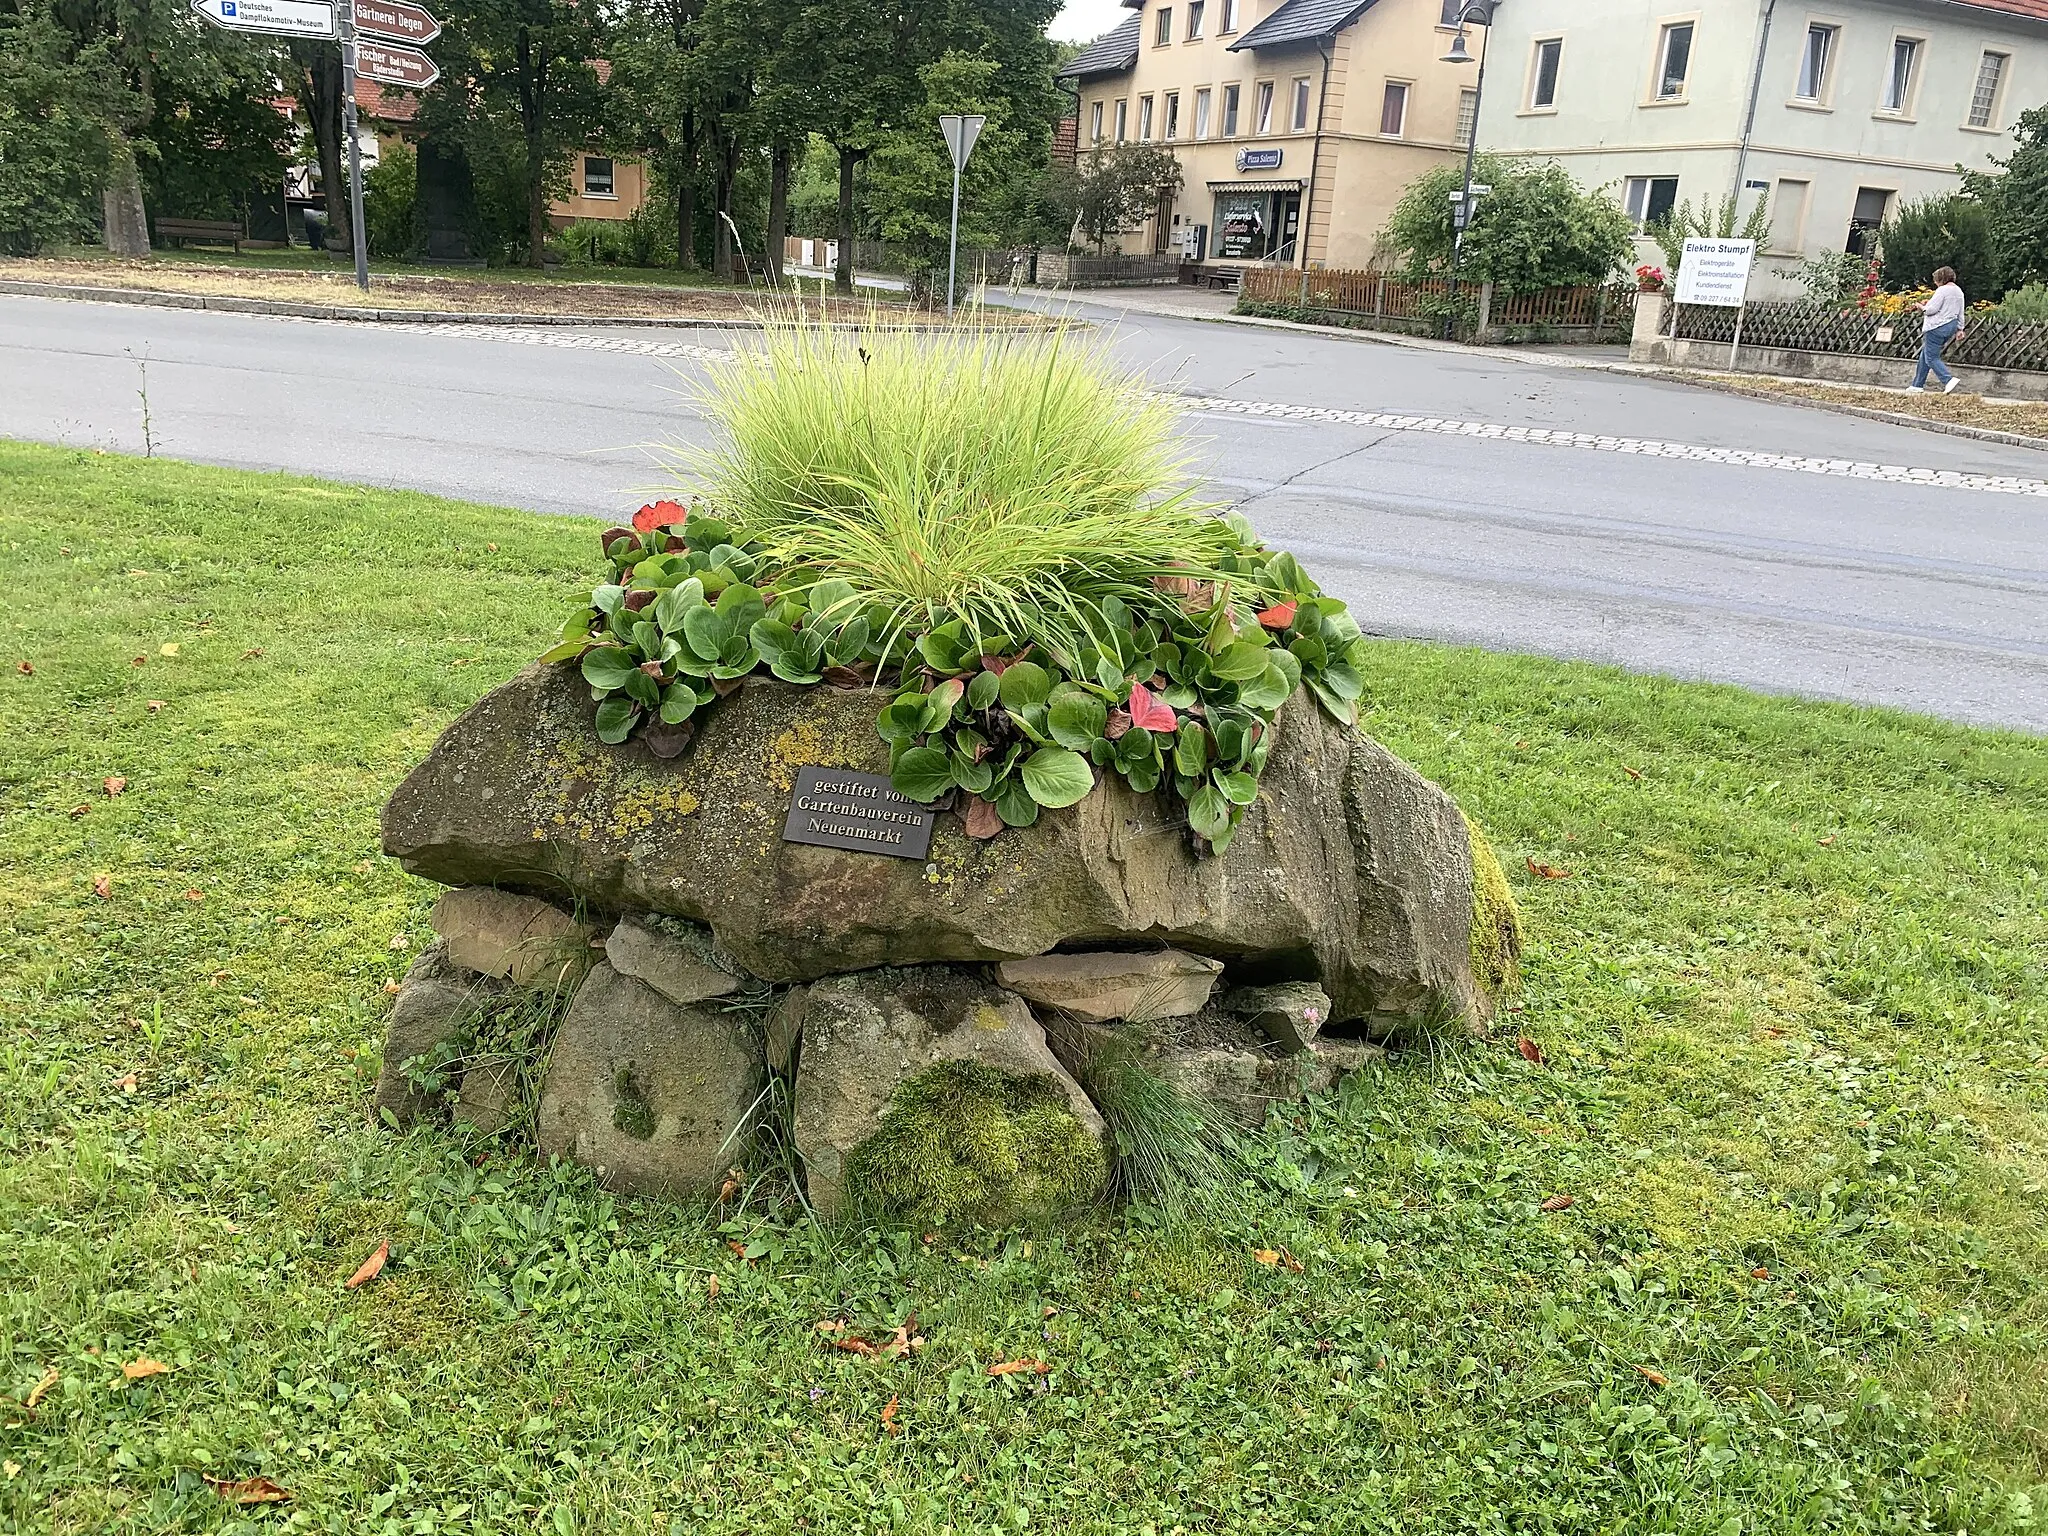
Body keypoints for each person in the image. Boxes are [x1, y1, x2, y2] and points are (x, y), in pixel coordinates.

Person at [1908, 266, 1966, 394]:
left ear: (1940, 278)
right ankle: (1917, 385)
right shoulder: (1958, 291)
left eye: (1936, 280)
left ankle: (1948, 380)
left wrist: (1920, 306)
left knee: (1931, 358)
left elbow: (1930, 310)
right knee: (1925, 354)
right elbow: (1960, 312)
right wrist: (1960, 329)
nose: (1935, 282)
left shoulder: (1942, 290)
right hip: (1951, 325)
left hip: (1936, 327)